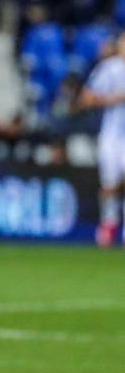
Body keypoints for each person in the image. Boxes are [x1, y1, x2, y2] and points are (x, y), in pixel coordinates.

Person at [76, 32, 125, 247]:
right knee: (110, 182)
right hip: (113, 134)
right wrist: (115, 99)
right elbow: (85, 99)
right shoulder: (110, 68)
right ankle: (109, 222)